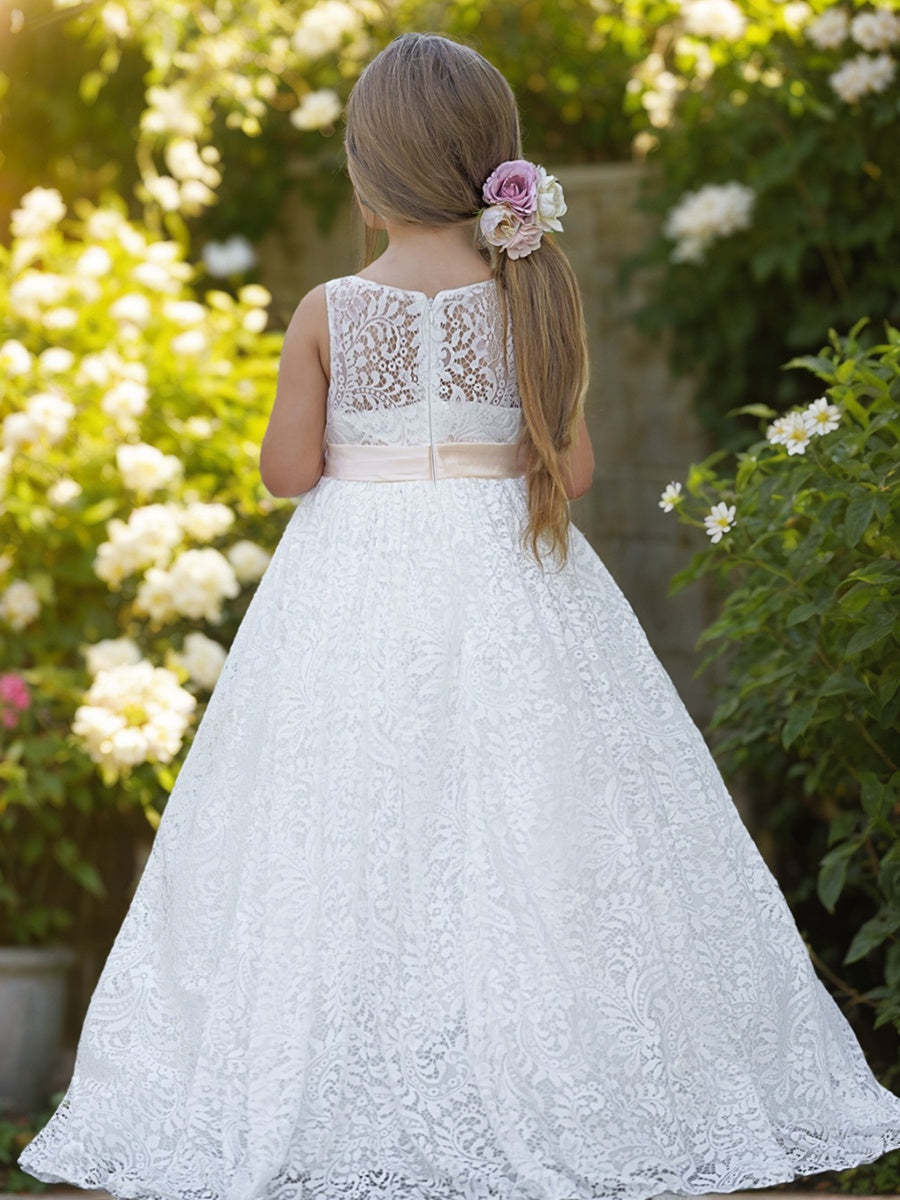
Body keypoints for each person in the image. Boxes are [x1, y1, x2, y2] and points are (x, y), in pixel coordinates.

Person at [18, 30, 900, 1200]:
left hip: (352, 588)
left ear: (365, 172)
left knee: (349, 823)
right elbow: (573, 473)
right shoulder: (530, 293)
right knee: (537, 823)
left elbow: (287, 474)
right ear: (495, 166)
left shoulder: (330, 310)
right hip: (511, 582)